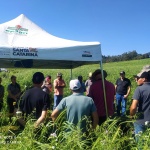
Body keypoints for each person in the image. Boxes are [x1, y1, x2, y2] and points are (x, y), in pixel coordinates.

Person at [130, 71, 150, 142]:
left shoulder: (139, 89)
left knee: (141, 144)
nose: (137, 80)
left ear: (144, 79)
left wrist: (131, 115)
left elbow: (133, 107)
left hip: (141, 121)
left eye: (139, 78)